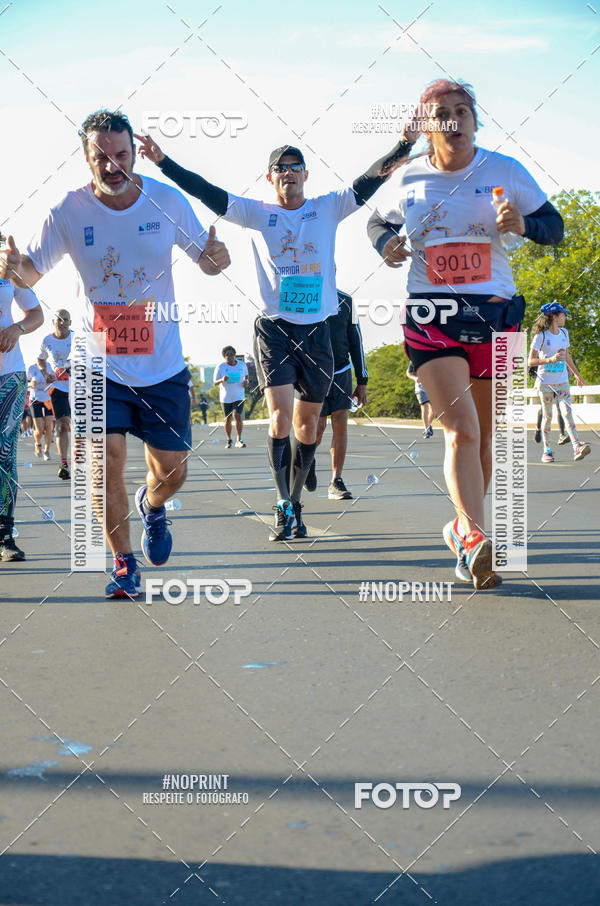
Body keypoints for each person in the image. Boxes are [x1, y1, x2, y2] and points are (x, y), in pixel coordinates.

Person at [136, 128, 414, 540]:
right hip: (274, 330)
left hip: (317, 330)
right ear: (270, 178)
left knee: (307, 428)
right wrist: (163, 162)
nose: (288, 173)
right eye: (279, 169)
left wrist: (404, 146)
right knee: (281, 418)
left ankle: (296, 501)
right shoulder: (258, 213)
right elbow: (206, 191)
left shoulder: (328, 207)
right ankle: (283, 503)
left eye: (294, 167)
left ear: (306, 174)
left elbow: (371, 178)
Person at [0, 109, 230, 598]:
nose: (111, 166)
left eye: (120, 154)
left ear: (134, 152)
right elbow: (30, 276)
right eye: (100, 157)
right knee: (103, 465)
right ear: (87, 157)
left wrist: (216, 259)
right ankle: (124, 563)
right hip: (96, 364)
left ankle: (153, 504)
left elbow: (206, 260)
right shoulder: (68, 211)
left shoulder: (167, 201)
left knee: (172, 470)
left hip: (162, 365)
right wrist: (16, 266)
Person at [367, 79, 564, 589]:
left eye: (462, 111)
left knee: (488, 439)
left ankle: (459, 528)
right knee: (463, 429)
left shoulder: (505, 171)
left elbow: (554, 226)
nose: (453, 121)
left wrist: (523, 223)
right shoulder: (407, 177)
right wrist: (387, 243)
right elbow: (376, 224)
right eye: (441, 114)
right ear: (426, 125)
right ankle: (477, 538)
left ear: (476, 120)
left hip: (499, 318)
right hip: (431, 317)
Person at [304, 289, 368, 499]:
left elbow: (356, 339)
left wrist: (362, 380)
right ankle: (306, 459)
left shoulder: (347, 301)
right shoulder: (306, 295)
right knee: (319, 426)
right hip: (314, 372)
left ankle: (336, 480)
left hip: (341, 371)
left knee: (341, 419)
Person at [0, 254, 44, 561]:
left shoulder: (8, 267)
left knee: (5, 454)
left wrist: (17, 328)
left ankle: (5, 536)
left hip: (8, 376)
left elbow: (36, 313)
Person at [528, 301, 590, 463]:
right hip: (545, 383)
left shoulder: (564, 333)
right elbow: (531, 361)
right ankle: (547, 451)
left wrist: (578, 375)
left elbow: (567, 356)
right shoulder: (540, 336)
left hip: (562, 381)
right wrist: (551, 359)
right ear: (554, 317)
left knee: (567, 413)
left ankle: (577, 447)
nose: (564, 317)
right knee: (548, 417)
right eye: (562, 314)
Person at [38, 309, 72, 479]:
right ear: (53, 322)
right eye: (58, 319)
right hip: (58, 389)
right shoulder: (47, 340)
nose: (62, 322)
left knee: (82, 428)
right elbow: (40, 359)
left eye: (65, 319)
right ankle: (64, 464)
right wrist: (45, 374)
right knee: (62, 425)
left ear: (70, 322)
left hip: (79, 388)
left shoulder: (77, 338)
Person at [214, 346, 248, 448]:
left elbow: (246, 376)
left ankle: (239, 439)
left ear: (235, 355)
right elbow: (215, 382)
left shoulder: (242, 365)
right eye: (227, 355)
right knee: (227, 419)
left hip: (239, 395)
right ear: (224, 357)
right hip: (226, 397)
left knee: (237, 416)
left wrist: (246, 382)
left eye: (231, 354)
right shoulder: (220, 367)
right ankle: (229, 440)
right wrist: (222, 379)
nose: (229, 357)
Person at [28, 360, 55, 460]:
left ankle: (47, 451)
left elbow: (54, 379)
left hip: (47, 399)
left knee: (49, 427)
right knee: (39, 429)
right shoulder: (31, 368)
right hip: (35, 400)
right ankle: (38, 444)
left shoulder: (49, 366)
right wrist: (32, 384)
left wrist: (51, 379)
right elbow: (26, 383)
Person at [406, 360, 434, 438]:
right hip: (420, 388)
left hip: (432, 388)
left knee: (433, 411)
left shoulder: (433, 358)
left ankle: (428, 424)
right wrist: (415, 378)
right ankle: (427, 430)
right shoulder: (414, 359)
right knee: (425, 408)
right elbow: (408, 373)